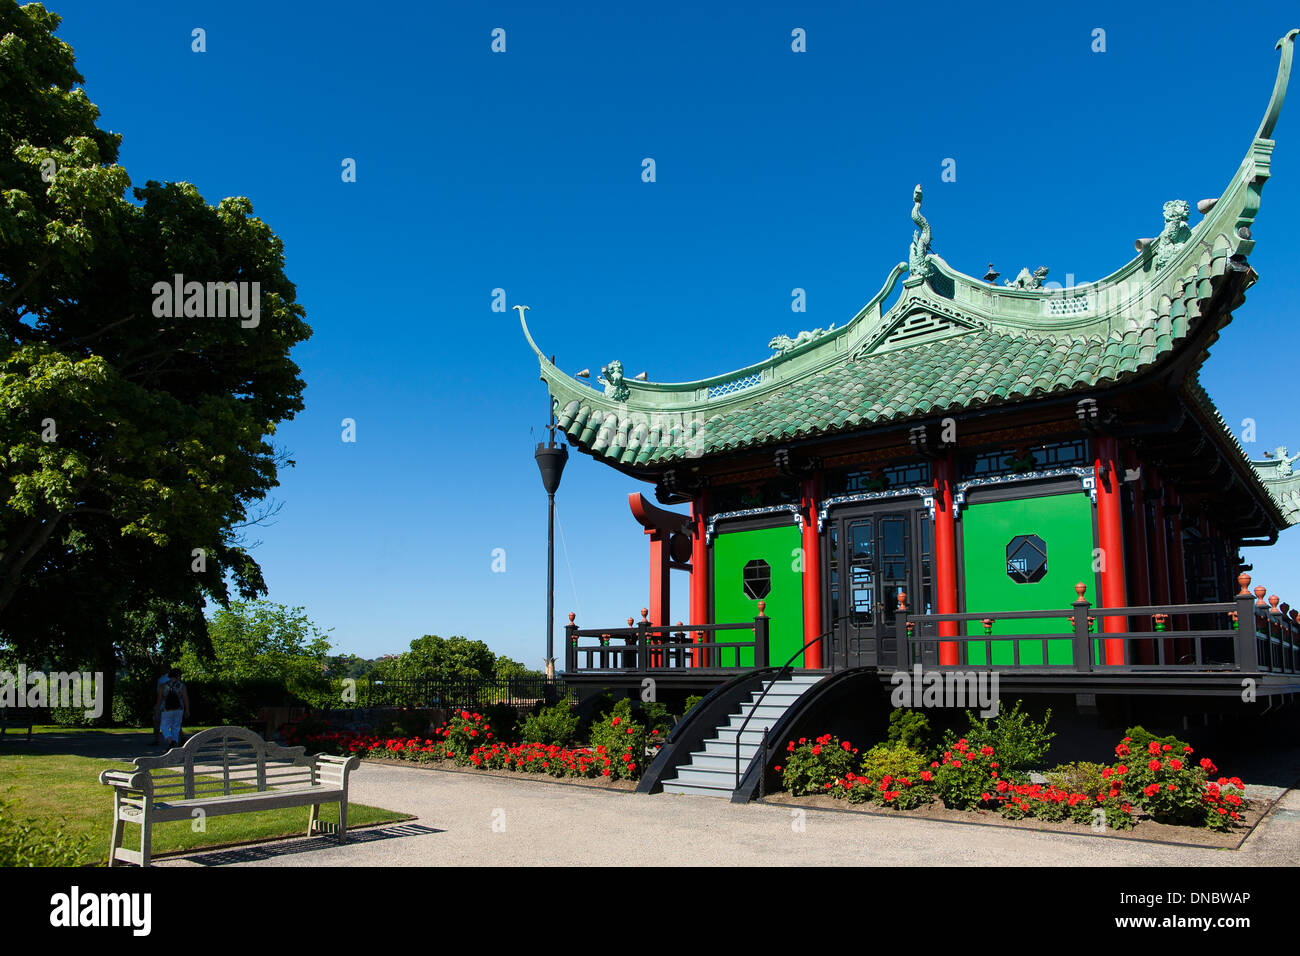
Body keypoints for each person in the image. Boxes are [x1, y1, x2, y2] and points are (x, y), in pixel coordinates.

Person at [155, 668, 190, 748]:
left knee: (164, 726)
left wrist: (157, 710)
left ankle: (170, 741)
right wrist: (187, 710)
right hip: (179, 708)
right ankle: (175, 744)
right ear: (178, 676)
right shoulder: (182, 686)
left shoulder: (163, 686)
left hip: (166, 709)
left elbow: (159, 699)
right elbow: (185, 698)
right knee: (176, 727)